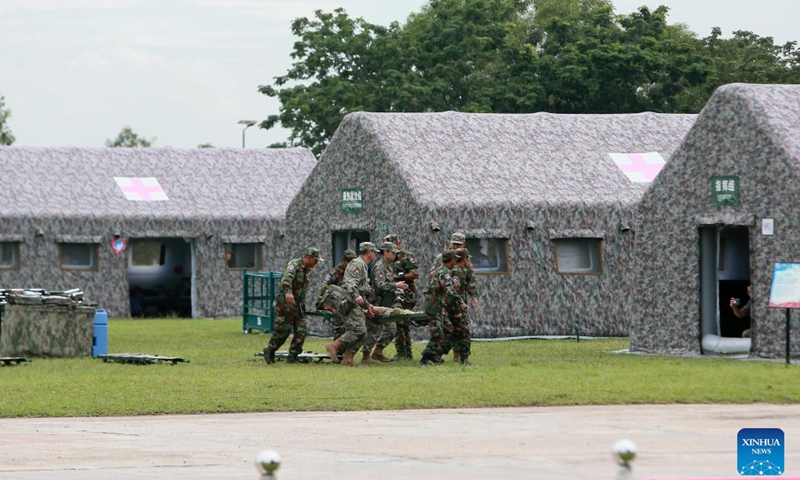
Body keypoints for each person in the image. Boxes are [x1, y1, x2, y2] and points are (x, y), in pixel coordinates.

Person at [262, 247, 323, 364]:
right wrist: (288, 293)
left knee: (302, 330)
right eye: (315, 260)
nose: (316, 263)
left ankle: (293, 356)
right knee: (282, 332)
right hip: (285, 305)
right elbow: (286, 279)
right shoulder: (294, 265)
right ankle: (270, 349)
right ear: (308, 258)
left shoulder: (306, 269)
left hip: (298, 306)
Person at [325, 242, 380, 367]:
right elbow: (350, 283)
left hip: (354, 302)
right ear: (369, 252)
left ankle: (348, 359)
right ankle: (334, 346)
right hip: (348, 302)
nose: (376, 255)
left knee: (362, 332)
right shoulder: (357, 264)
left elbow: (361, 290)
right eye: (375, 253)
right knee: (359, 329)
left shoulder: (363, 265)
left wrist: (367, 306)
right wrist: (356, 296)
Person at [361, 242, 408, 363]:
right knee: (374, 330)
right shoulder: (380, 267)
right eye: (392, 253)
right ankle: (365, 356)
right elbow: (379, 285)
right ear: (385, 252)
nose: (394, 255)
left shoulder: (388, 265)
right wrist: (395, 285)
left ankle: (377, 352)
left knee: (391, 328)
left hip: (385, 302)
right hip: (376, 303)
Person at [420, 249, 466, 366]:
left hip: (439, 306)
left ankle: (436, 354)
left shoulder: (440, 271)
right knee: (437, 333)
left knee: (449, 329)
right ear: (452, 260)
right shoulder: (444, 272)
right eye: (455, 259)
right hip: (434, 307)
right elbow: (449, 289)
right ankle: (426, 358)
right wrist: (461, 302)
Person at [385, 233, 420, 361]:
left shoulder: (405, 256)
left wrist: (397, 277)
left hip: (407, 294)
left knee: (399, 320)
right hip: (394, 293)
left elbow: (415, 274)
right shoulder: (387, 259)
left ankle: (403, 353)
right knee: (401, 323)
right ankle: (406, 353)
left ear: (397, 244)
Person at [315, 249, 357, 341]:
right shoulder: (334, 273)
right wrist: (326, 306)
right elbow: (324, 289)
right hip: (335, 304)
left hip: (346, 304)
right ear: (343, 261)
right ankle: (337, 351)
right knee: (340, 328)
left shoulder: (351, 273)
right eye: (348, 263)